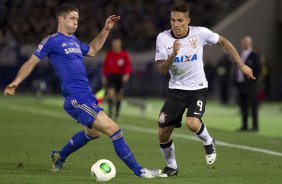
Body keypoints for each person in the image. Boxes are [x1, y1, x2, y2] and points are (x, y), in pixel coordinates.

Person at [3, 4, 160, 178]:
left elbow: (92, 50)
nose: (76, 22)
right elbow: (31, 62)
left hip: (87, 96)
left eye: (77, 19)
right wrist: (16, 82)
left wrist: (106, 29)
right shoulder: (52, 41)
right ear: (61, 19)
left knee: (93, 133)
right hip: (77, 99)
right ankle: (140, 171)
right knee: (114, 130)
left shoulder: (74, 41)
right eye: (72, 18)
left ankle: (59, 156)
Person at [154, 2, 256, 177]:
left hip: (198, 88)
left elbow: (224, 42)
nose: (175, 24)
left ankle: (208, 141)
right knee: (163, 133)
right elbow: (163, 70)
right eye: (172, 20)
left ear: (188, 20)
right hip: (176, 90)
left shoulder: (199, 33)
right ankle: (172, 167)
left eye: (180, 20)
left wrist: (241, 65)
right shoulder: (163, 38)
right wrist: (173, 55)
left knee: (192, 123)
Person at [235, 36, 261, 131]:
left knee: (253, 105)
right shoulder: (240, 53)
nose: (244, 44)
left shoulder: (255, 55)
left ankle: (255, 126)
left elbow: (259, 69)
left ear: (250, 43)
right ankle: (244, 125)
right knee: (243, 105)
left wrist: (253, 81)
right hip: (240, 84)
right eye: (243, 42)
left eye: (246, 42)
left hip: (251, 85)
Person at [102, 38, 131, 120]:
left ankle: (117, 114)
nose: (115, 45)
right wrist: (104, 76)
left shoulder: (124, 54)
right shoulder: (109, 54)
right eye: (114, 44)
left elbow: (128, 65)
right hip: (111, 77)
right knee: (110, 94)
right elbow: (105, 66)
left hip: (120, 77)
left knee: (119, 96)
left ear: (120, 44)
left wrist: (126, 74)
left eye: (117, 44)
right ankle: (110, 113)